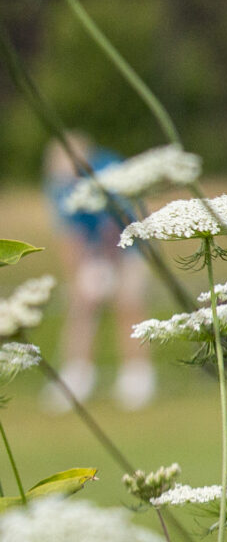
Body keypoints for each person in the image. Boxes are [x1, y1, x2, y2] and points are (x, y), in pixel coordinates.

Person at [42, 136, 151, 411]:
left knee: (128, 303)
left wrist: (106, 265)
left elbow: (115, 224)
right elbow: (70, 236)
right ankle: (77, 375)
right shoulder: (58, 185)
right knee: (81, 304)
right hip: (92, 250)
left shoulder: (108, 170)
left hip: (130, 245)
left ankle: (137, 376)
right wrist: (80, 275)